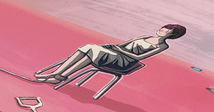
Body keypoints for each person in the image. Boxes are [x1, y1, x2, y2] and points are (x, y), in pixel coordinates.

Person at [36, 24, 187, 84]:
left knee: (90, 49)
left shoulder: (162, 46)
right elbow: (121, 46)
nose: (162, 30)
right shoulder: (145, 37)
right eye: (163, 28)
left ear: (172, 35)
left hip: (124, 62)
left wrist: (118, 50)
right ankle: (59, 75)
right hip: (115, 55)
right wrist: (112, 47)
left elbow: (139, 57)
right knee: (88, 50)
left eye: (168, 30)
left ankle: (58, 75)